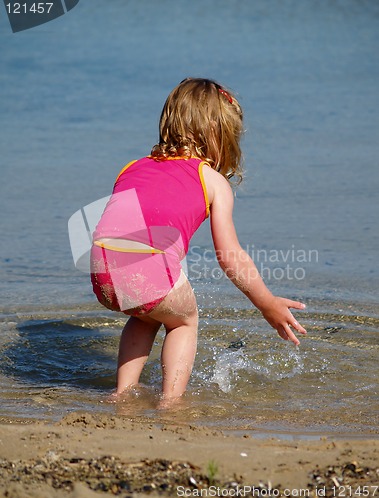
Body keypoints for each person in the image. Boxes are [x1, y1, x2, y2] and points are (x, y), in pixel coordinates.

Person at [90, 78, 307, 404]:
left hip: (100, 267)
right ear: (219, 135)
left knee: (146, 314)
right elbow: (230, 256)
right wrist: (267, 303)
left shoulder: (133, 167)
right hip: (146, 267)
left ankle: (122, 394)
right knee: (183, 321)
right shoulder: (212, 180)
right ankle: (171, 402)